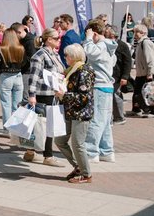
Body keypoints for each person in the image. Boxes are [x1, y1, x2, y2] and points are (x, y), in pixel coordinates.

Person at [53, 43, 96, 184]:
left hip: (81, 113)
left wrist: (64, 95)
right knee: (59, 140)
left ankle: (86, 174)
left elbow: (84, 97)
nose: (65, 58)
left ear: (74, 57)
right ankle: (78, 166)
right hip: (71, 112)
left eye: (67, 55)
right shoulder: (72, 70)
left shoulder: (83, 71)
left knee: (78, 144)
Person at [25, 28, 65, 165]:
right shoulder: (40, 55)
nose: (59, 40)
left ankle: (31, 151)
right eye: (56, 38)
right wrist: (31, 95)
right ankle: (47, 155)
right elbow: (33, 77)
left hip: (53, 94)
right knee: (45, 125)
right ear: (49, 39)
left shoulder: (55, 54)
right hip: (44, 94)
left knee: (42, 124)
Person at [82, 20, 116, 163]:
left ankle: (91, 152)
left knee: (96, 120)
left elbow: (90, 52)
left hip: (99, 85)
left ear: (94, 33)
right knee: (105, 121)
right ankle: (106, 151)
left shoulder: (101, 46)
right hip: (106, 86)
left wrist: (88, 39)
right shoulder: (108, 45)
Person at [0, 29, 24, 131]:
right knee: (17, 104)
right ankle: (16, 127)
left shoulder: (0, 49)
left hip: (6, 75)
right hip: (18, 75)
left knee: (6, 104)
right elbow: (24, 63)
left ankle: (7, 129)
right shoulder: (21, 48)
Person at [131, 24, 154, 118]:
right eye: (134, 32)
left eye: (137, 32)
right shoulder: (140, 43)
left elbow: (150, 59)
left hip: (146, 73)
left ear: (143, 33)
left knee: (150, 92)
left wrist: (150, 73)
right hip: (141, 72)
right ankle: (140, 109)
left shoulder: (146, 43)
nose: (135, 34)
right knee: (141, 92)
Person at [106, 25, 132, 125]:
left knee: (116, 95)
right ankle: (113, 116)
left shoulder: (122, 45)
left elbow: (127, 62)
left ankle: (119, 117)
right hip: (109, 75)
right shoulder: (106, 44)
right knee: (110, 96)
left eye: (107, 32)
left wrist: (125, 76)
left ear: (112, 35)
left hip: (117, 76)